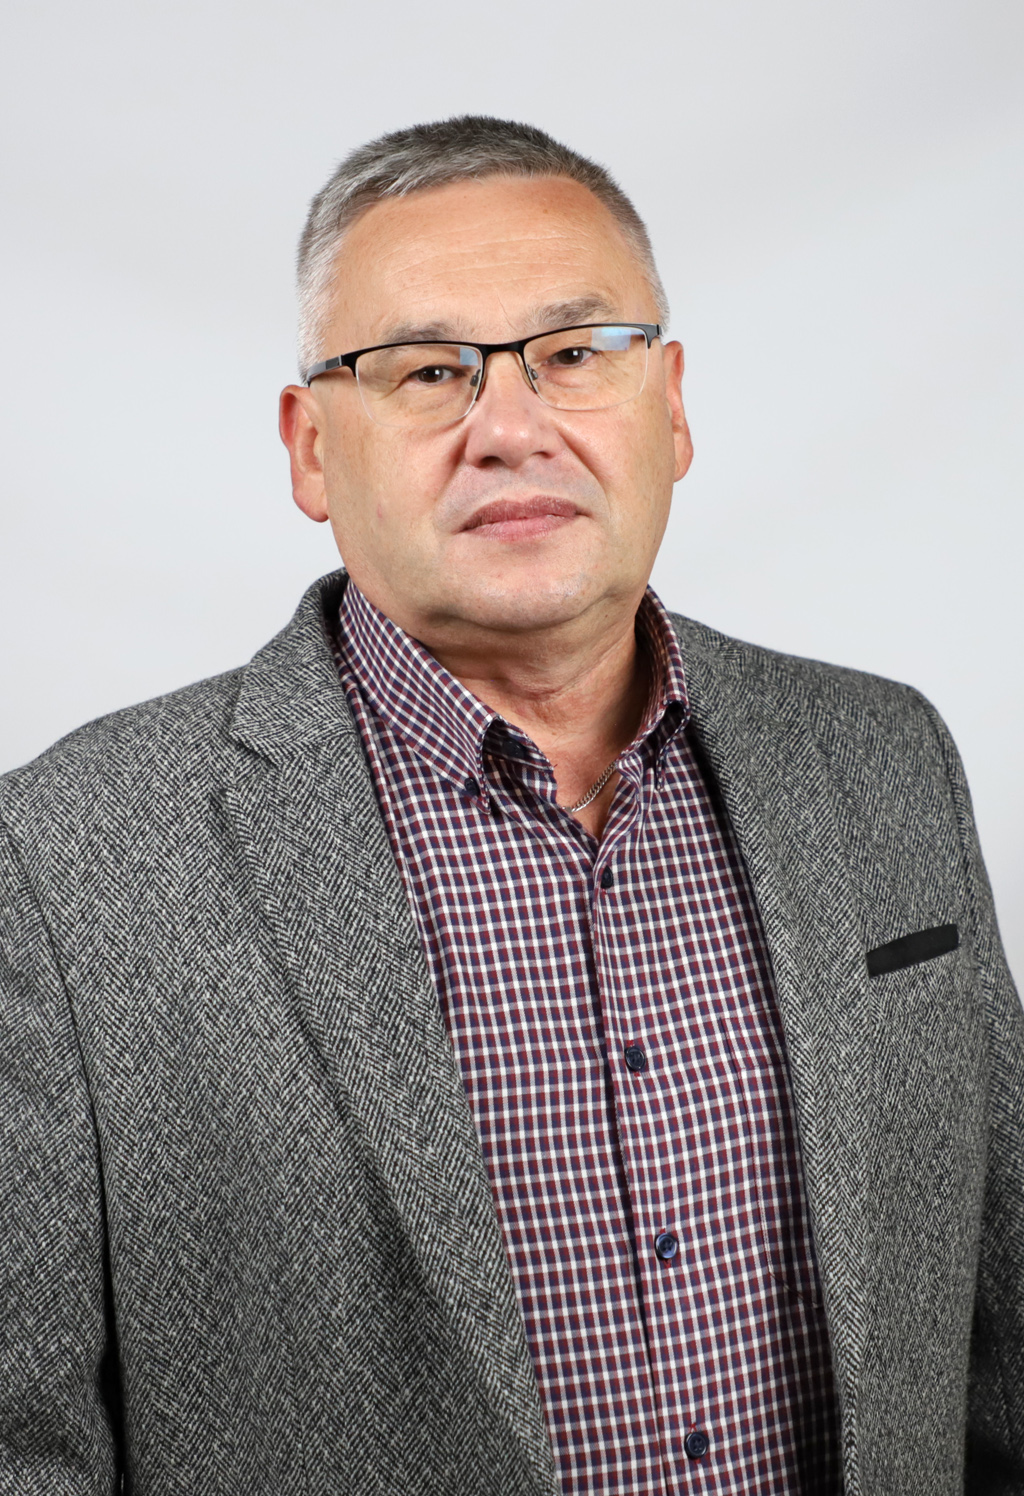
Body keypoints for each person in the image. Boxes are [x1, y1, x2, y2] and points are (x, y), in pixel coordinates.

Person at [0, 115, 1020, 1496]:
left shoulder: (884, 758)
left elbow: (999, 1345)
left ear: (671, 406)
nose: (513, 428)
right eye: (428, 371)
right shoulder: (62, 864)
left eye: (576, 354)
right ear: (310, 448)